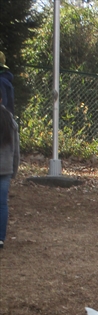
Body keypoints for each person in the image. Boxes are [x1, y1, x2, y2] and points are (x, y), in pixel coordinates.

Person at [0, 90, 20, 249]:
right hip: (5, 168)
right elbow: (15, 150)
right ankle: (1, 237)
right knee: (2, 204)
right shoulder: (10, 121)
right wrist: (14, 169)